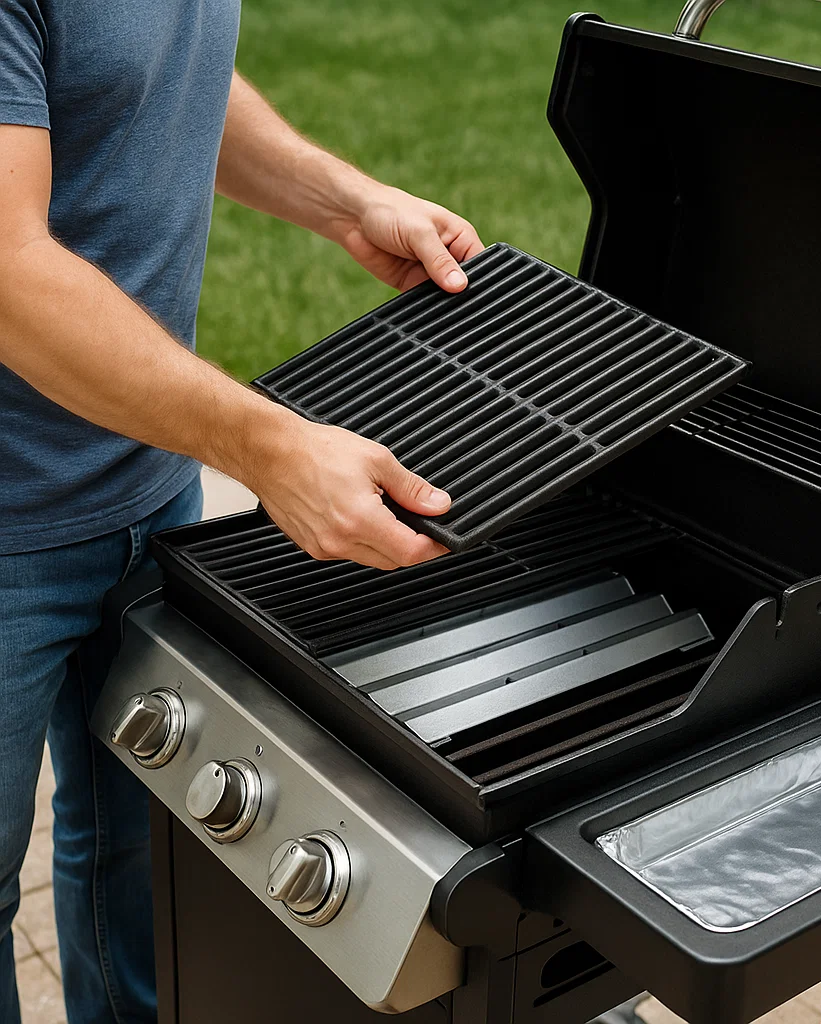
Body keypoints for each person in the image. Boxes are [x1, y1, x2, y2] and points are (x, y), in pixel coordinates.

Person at [0, 3, 485, 1021]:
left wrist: (345, 202)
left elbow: (156, 80)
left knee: (143, 850)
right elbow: (8, 275)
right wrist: (265, 446)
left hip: (147, 480)